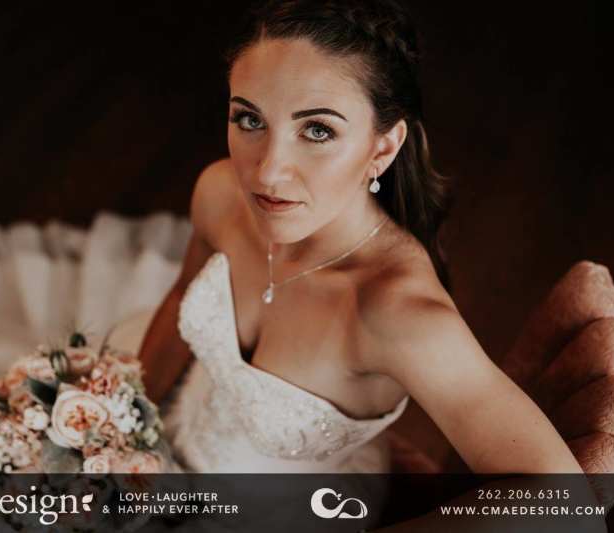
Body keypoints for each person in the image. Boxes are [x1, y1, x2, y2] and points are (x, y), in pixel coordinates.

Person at [137, 0, 584, 475]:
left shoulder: (399, 313)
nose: (267, 172)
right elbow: (182, 293)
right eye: (250, 120)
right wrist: (126, 424)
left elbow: (563, 500)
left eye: (317, 130)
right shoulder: (220, 193)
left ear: (383, 147)